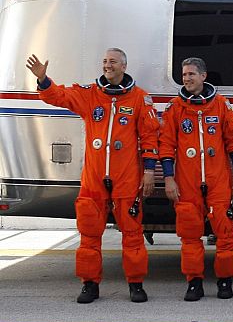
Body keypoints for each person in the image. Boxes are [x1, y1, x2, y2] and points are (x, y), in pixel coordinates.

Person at [26, 50, 159, 303]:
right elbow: (59, 96)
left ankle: (136, 284)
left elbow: (150, 138)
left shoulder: (140, 99)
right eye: (105, 62)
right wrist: (43, 79)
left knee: (132, 233)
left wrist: (150, 172)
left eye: (113, 62)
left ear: (124, 66)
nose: (107, 66)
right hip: (95, 177)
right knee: (89, 233)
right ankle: (89, 284)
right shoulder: (90, 94)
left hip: (127, 177)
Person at [159, 57, 233, 301]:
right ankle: (194, 282)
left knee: (225, 233)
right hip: (187, 182)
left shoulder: (220, 106)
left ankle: (225, 281)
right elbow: (166, 145)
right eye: (184, 74)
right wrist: (168, 178)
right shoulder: (175, 108)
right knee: (189, 234)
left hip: (218, 180)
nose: (186, 78)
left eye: (191, 74)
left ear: (203, 76)